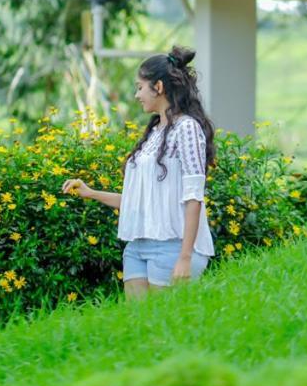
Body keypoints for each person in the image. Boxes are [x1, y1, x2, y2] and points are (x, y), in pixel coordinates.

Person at [61, 45, 215, 300]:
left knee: (163, 332)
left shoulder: (186, 129)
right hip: (137, 247)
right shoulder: (154, 133)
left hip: (173, 247)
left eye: (140, 87)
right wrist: (90, 193)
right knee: (138, 331)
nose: (136, 95)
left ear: (159, 87)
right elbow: (139, 203)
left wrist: (184, 257)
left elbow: (193, 197)